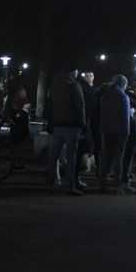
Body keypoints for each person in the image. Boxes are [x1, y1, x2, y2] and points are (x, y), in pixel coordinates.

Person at [45, 66, 86, 195]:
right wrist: (82, 124)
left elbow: (49, 105)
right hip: (72, 125)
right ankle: (69, 185)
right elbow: (80, 106)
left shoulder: (55, 85)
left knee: (53, 156)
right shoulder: (73, 85)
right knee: (70, 157)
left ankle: (50, 182)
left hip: (57, 124)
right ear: (73, 71)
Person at [98, 75, 133, 193]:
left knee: (105, 157)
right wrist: (126, 132)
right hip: (119, 132)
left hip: (106, 130)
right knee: (119, 159)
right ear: (123, 84)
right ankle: (117, 185)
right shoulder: (123, 97)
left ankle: (102, 183)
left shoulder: (105, 96)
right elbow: (125, 117)